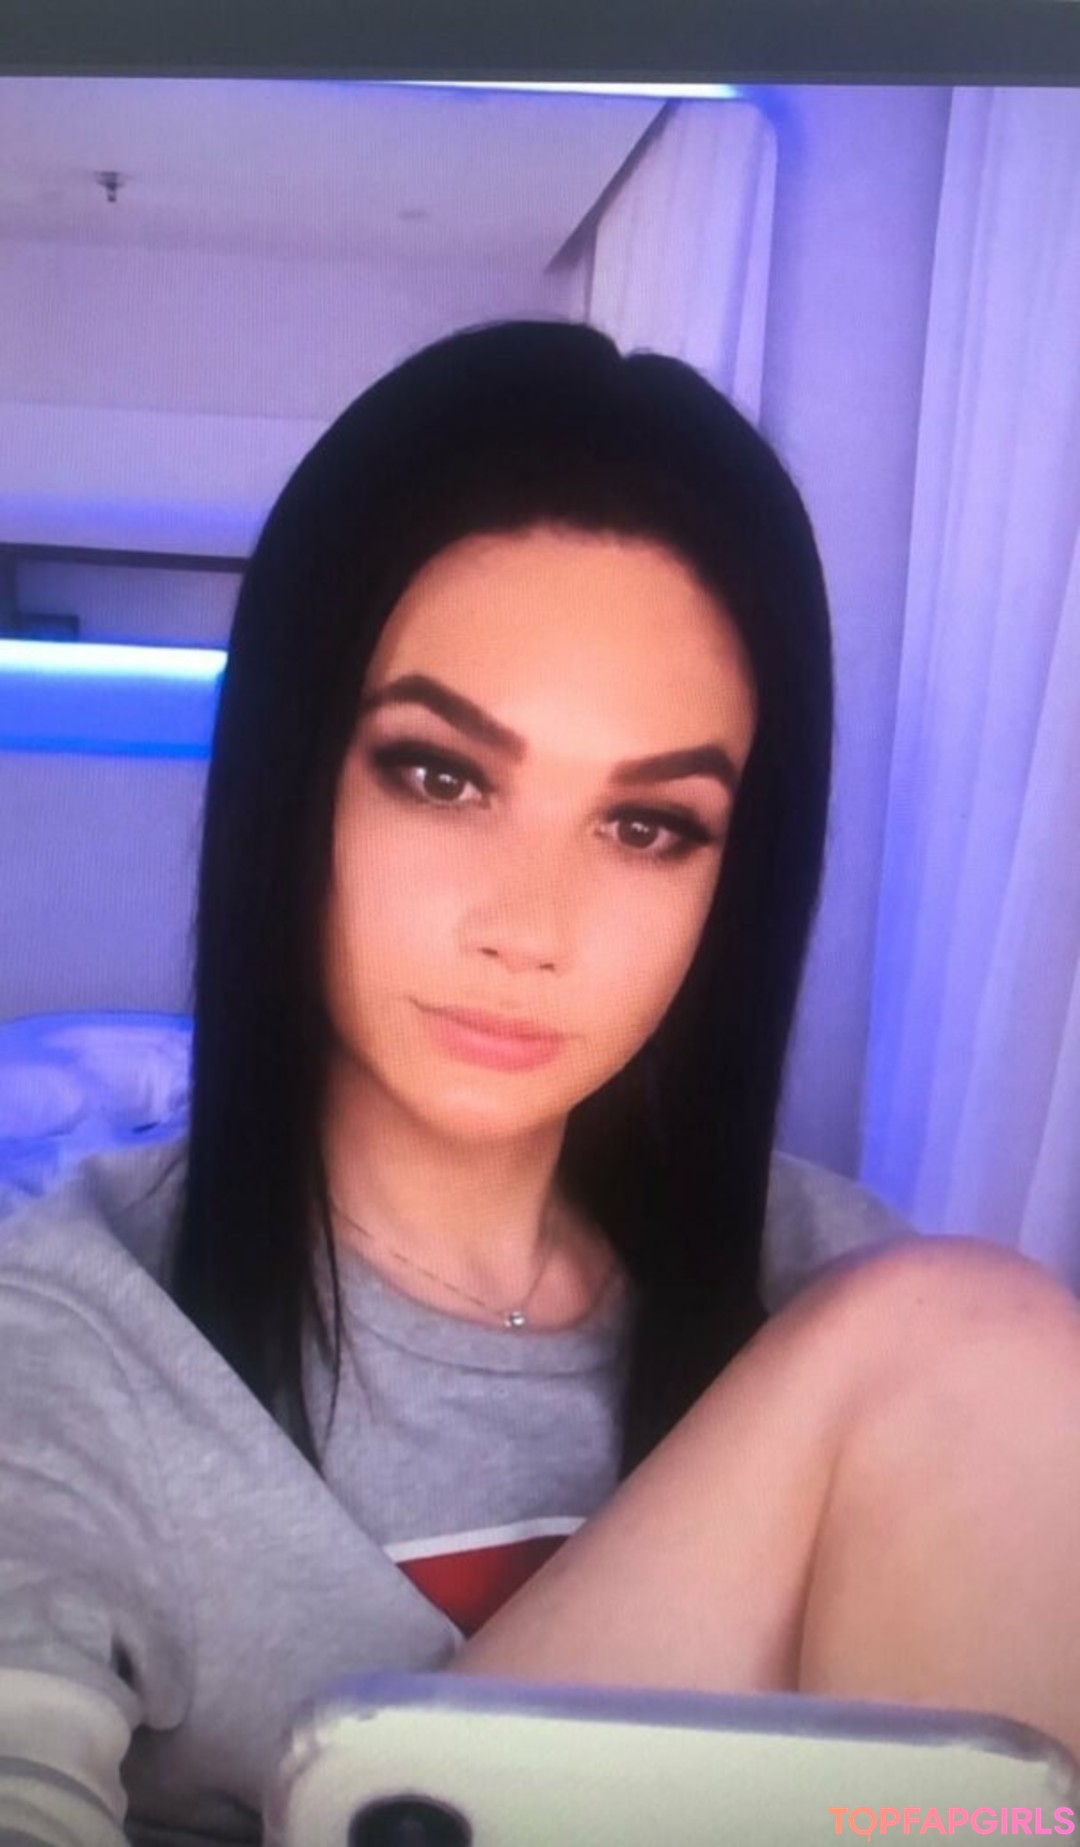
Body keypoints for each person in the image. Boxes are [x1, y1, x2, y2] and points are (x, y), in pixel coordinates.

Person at [1, 320, 1078, 1847]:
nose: (530, 929)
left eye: (648, 827)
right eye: (440, 775)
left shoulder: (855, 1308)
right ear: (294, 777)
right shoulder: (64, 1350)